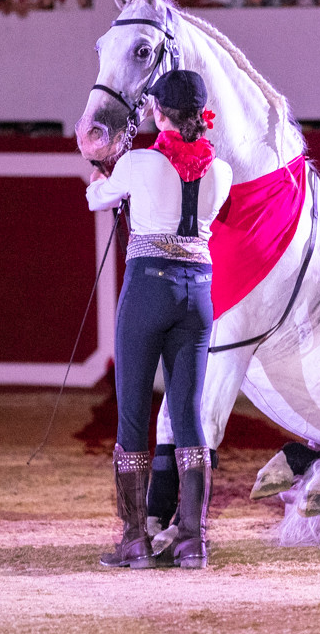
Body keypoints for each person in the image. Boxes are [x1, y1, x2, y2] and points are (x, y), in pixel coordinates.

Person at [85, 70, 233, 571]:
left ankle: (135, 540)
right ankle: (192, 539)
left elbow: (96, 198)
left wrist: (104, 169)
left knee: (132, 414)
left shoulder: (140, 162)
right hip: (199, 293)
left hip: (149, 286)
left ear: (156, 112)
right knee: (188, 415)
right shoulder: (223, 170)